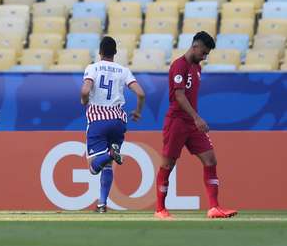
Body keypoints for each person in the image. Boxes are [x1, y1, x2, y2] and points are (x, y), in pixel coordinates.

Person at [155, 32, 237, 220]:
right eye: (204, 52)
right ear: (195, 46)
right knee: (168, 164)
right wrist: (197, 118)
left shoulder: (197, 68)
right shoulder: (179, 65)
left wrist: (194, 119)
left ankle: (214, 207)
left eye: (207, 54)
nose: (205, 56)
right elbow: (179, 95)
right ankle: (160, 209)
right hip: (176, 122)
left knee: (210, 160)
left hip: (191, 124)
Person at [80, 36, 145, 213]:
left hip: (98, 119)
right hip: (118, 120)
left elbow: (85, 90)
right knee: (107, 165)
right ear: (115, 53)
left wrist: (84, 100)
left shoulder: (93, 67)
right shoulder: (123, 71)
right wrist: (138, 112)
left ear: (99, 52)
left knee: (94, 167)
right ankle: (102, 204)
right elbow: (140, 93)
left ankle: (110, 153)